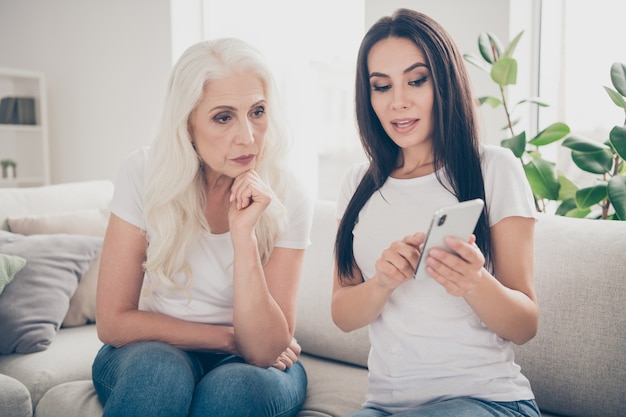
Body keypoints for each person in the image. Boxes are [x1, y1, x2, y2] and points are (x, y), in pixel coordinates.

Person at [332, 8, 540, 417]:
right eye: (381, 86)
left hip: (487, 399)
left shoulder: (494, 169)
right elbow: (342, 314)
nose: (398, 102)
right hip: (385, 406)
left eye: (416, 80)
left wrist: (473, 281)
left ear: (443, 80)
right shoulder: (357, 184)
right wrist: (382, 283)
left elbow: (525, 324)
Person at [92, 38, 313, 417]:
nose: (247, 136)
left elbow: (264, 350)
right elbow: (113, 322)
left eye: (257, 111)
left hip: (253, 363)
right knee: (158, 374)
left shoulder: (288, 193)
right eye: (223, 117)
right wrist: (227, 339)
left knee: (234, 389)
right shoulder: (144, 174)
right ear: (188, 125)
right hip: (155, 348)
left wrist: (243, 237)